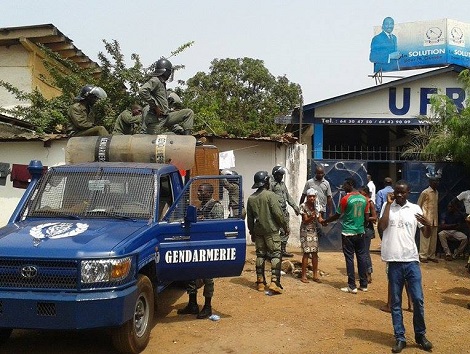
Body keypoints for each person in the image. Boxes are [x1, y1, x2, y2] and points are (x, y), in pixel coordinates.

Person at [378, 180, 433, 353]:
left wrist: (429, 225)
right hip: (394, 261)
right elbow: (382, 227)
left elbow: (426, 233)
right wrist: (387, 205)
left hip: (411, 260)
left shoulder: (415, 209)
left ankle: (420, 335)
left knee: (417, 299)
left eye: (402, 192)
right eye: (397, 192)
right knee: (396, 302)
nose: (399, 195)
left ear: (409, 193)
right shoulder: (388, 208)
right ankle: (400, 337)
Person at [177, 183, 223, 319]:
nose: (199, 194)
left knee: (208, 277)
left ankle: (207, 307)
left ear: (209, 193)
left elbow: (218, 226)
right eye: (198, 191)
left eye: (201, 191)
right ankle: (192, 304)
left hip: (209, 246)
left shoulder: (216, 207)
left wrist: (203, 221)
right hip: (197, 245)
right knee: (191, 274)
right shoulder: (200, 207)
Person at [323, 177, 369, 294]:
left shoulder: (345, 199)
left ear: (350, 184)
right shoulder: (365, 199)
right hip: (360, 232)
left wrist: (326, 221)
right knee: (362, 257)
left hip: (348, 233)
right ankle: (364, 284)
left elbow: (338, 215)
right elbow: (367, 218)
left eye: (345, 184)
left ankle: (352, 285)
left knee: (349, 259)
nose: (343, 187)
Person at [246, 171, 289, 295]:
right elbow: (278, 214)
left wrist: (252, 232)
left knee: (260, 255)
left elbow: (249, 219)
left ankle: (260, 282)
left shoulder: (251, 198)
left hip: (258, 231)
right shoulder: (270, 195)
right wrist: (285, 226)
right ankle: (274, 283)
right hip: (271, 231)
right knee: (276, 255)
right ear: (266, 181)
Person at [139, 58, 194, 135]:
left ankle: (187, 138)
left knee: (188, 113)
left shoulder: (162, 83)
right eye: (169, 72)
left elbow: (162, 103)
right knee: (154, 139)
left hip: (165, 116)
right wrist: (155, 107)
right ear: (166, 71)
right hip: (156, 119)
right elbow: (142, 91)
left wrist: (170, 111)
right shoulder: (156, 80)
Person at [270, 165, 300, 257]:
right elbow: (268, 197)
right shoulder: (271, 184)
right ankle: (273, 251)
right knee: (274, 231)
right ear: (275, 175)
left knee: (286, 230)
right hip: (275, 211)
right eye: (280, 175)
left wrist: (295, 207)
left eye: (282, 175)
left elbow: (287, 196)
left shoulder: (282, 184)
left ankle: (282, 250)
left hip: (284, 210)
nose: (281, 176)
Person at [299, 188, 324, 283]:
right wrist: (313, 215)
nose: (312, 198)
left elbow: (320, 219)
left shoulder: (317, 206)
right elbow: (305, 220)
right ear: (307, 197)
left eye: (313, 196)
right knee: (306, 252)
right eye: (310, 196)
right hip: (305, 230)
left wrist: (324, 222)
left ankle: (315, 275)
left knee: (314, 253)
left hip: (313, 230)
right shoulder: (303, 206)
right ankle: (303, 276)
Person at [417, 175, 440, 263]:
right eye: (434, 182)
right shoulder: (425, 192)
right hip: (426, 219)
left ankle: (431, 255)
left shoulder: (437, 192)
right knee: (425, 238)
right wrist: (420, 219)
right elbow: (419, 205)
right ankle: (423, 255)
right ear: (430, 183)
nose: (436, 183)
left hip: (434, 219)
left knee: (433, 239)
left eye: (437, 182)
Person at [359, 185, 377, 284]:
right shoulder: (361, 203)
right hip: (361, 229)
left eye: (361, 193)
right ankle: (365, 272)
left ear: (365, 193)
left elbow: (374, 217)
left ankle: (368, 273)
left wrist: (366, 218)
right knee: (362, 252)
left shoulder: (370, 203)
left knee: (365, 252)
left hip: (367, 229)